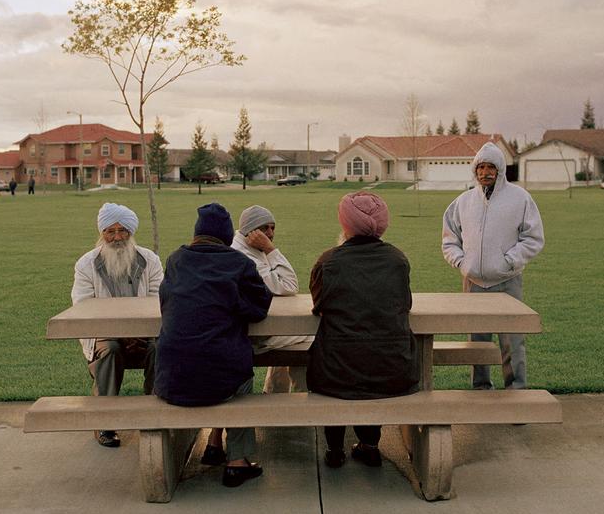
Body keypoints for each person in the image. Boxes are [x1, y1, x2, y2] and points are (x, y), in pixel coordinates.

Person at [155, 203, 274, 487]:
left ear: (197, 233)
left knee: (220, 363)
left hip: (172, 378)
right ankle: (238, 461)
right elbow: (259, 308)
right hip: (222, 376)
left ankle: (214, 442)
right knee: (240, 375)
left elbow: (166, 301)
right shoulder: (238, 263)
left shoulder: (176, 260)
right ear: (225, 234)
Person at [308, 192, 417, 468]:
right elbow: (405, 304)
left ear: (345, 224)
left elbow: (319, 304)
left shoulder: (328, 262)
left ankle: (335, 448)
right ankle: (369, 444)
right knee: (373, 358)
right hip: (393, 370)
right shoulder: (397, 260)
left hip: (336, 372)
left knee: (343, 363)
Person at [441, 143, 544, 390]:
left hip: (507, 282)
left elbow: (533, 238)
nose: (485, 172)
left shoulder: (520, 199)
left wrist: (510, 260)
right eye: (481, 167)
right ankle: (481, 388)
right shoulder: (463, 202)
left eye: (491, 167)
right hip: (473, 282)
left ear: (500, 170)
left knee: (512, 340)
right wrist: (462, 262)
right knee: (477, 341)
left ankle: (516, 391)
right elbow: (449, 239)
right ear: (475, 170)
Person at [70, 202, 165, 448]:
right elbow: (83, 307)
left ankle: (154, 413)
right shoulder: (86, 264)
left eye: (123, 231)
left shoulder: (149, 260)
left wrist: (137, 331)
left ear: (131, 233)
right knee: (110, 350)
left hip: (146, 331)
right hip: (103, 333)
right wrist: (121, 333)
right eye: (110, 231)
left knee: (161, 347)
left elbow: (159, 302)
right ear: (101, 233)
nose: (117, 238)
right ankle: (106, 423)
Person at [232, 204, 311, 393]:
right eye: (264, 228)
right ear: (249, 232)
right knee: (311, 334)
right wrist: (270, 248)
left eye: (272, 228)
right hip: (251, 337)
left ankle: (276, 392)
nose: (270, 233)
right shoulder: (245, 257)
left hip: (254, 330)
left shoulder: (250, 250)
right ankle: (301, 394)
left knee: (295, 335)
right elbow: (289, 285)